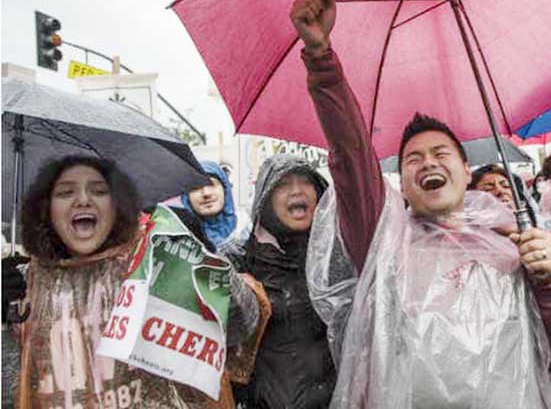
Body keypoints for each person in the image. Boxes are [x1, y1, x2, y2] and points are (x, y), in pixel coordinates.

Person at [291, 0, 551, 408]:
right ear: (402, 183)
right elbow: (352, 156)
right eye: (413, 159)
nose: (427, 163)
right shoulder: (384, 242)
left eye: (440, 153)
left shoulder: (512, 243)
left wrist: (549, 280)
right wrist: (322, 61)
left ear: (465, 171)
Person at [13, 156, 268, 408]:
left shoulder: (152, 258)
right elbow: (20, 390)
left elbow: (239, 326)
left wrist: (202, 265)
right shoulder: (26, 286)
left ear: (117, 204)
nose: (83, 200)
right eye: (66, 192)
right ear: (46, 208)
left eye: (99, 190)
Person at [226, 154, 336, 408]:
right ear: (266, 199)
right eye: (284, 184)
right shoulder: (241, 262)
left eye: (306, 182)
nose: (297, 190)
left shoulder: (336, 255)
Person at [181, 160, 252, 253]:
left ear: (225, 189)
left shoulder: (247, 229)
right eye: (196, 187)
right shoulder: (179, 238)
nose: (206, 193)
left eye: (211, 184)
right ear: (186, 197)